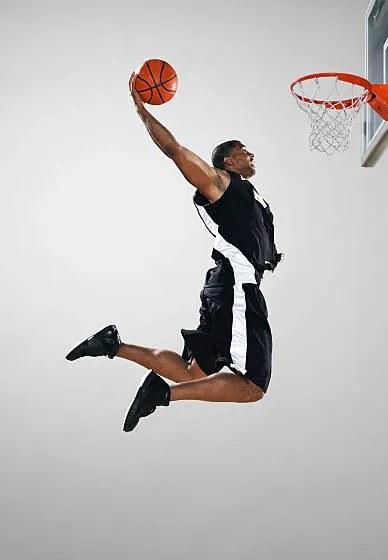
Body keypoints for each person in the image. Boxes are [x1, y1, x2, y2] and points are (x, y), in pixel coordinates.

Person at [65, 72, 282, 432]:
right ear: (227, 162)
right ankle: (161, 395)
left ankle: (112, 345)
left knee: (193, 372)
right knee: (252, 385)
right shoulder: (221, 184)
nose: (250, 153)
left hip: (223, 287)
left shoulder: (255, 200)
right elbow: (175, 151)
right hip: (236, 288)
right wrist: (142, 112)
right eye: (243, 150)